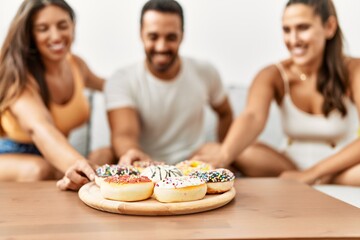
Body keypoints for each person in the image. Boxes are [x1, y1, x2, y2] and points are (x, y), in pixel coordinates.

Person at [194, 0, 360, 186]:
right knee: (213, 149)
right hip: (288, 166)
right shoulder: (273, 74)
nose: (293, 39)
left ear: (329, 27)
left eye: (303, 28)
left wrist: (313, 173)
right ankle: (319, 180)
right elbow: (252, 116)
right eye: (287, 30)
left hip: (343, 168)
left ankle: (323, 179)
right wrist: (223, 156)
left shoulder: (355, 70)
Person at [105, 0, 233, 166]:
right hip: (145, 162)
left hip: (193, 160)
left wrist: (222, 151)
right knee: (101, 155)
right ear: (140, 33)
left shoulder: (205, 71)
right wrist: (135, 156)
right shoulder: (121, 78)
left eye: (171, 37)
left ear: (182, 35)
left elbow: (225, 113)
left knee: (222, 149)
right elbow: (124, 134)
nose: (161, 46)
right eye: (153, 36)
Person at [0, 0, 106, 189]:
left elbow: (112, 87)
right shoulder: (19, 77)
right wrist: (79, 164)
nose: (56, 36)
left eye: (62, 25)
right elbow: (40, 128)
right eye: (43, 29)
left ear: (73, 26)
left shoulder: (77, 66)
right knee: (41, 169)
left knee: (103, 156)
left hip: (57, 155)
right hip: (10, 156)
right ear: (30, 34)